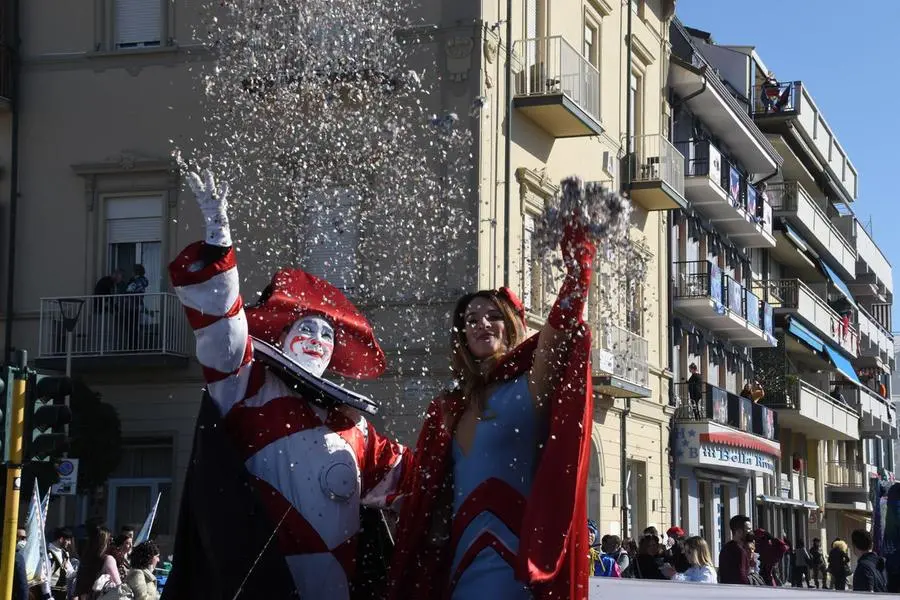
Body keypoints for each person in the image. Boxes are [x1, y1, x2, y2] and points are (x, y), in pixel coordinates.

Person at [164, 169, 412, 600]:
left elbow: (413, 480)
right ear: (281, 337)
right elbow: (222, 329)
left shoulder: (355, 427)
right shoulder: (247, 385)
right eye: (307, 329)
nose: (317, 341)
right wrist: (220, 241)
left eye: (327, 335)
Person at [387, 180, 596, 600]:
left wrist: (578, 261)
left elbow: (566, 318)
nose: (480, 324)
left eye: (490, 316)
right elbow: (428, 490)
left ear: (511, 326)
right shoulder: (448, 407)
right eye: (470, 320)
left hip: (516, 566)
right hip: (458, 567)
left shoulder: (530, 384)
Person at [74, 525, 120, 600]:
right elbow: (119, 586)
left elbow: (78, 588)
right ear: (106, 542)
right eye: (110, 540)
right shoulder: (108, 560)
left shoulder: (84, 561)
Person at [719, 515, 752, 585]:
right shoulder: (738, 551)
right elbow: (742, 579)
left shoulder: (726, 548)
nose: (751, 533)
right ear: (738, 531)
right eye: (748, 529)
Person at [47, 527, 76, 600]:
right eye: (68, 540)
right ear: (61, 539)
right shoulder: (47, 552)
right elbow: (44, 577)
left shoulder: (65, 553)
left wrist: (79, 572)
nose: (70, 543)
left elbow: (70, 573)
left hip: (62, 594)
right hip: (51, 593)